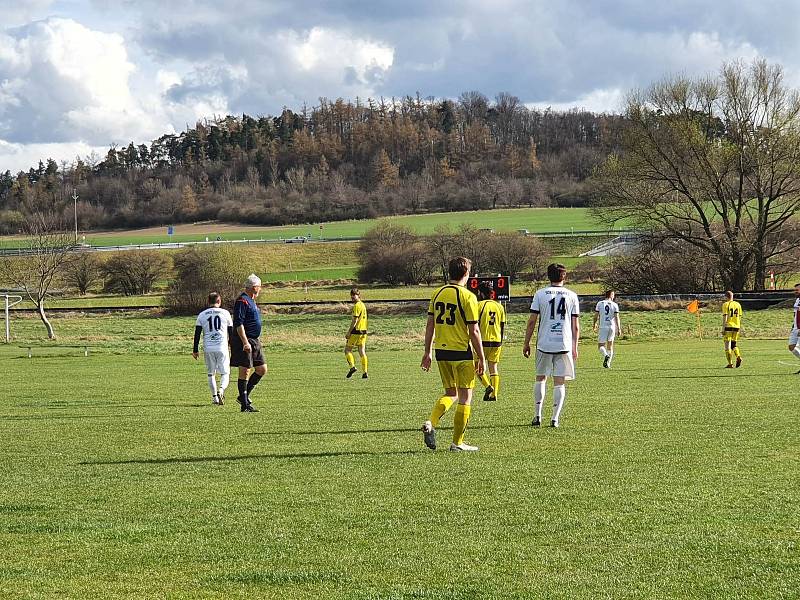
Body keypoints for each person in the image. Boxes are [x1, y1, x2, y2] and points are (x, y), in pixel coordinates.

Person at [421, 257, 486, 452]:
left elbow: (430, 325)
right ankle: (457, 443)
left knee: (451, 393)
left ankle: (431, 422)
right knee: (465, 398)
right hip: (461, 352)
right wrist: (481, 357)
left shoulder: (437, 293)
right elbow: (474, 330)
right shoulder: (467, 297)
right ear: (466, 274)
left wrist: (427, 352)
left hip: (441, 352)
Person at [523, 263, 580, 428]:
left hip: (544, 343)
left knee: (540, 377)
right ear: (564, 277)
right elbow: (575, 325)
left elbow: (532, 321)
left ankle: (537, 415)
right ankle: (555, 418)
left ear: (548, 276)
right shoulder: (572, 295)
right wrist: (575, 346)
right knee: (559, 381)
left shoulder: (540, 294)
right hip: (564, 343)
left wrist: (526, 343)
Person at [231, 274, 266, 412]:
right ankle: (245, 405)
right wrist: (245, 342)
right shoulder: (242, 301)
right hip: (244, 341)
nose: (260, 290)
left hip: (255, 340)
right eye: (259, 287)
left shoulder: (252, 301)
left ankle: (243, 397)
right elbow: (239, 324)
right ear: (254, 287)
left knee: (262, 369)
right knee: (245, 371)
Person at [192, 292, 233, 405]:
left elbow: (197, 334)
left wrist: (195, 350)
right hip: (222, 347)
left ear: (208, 302)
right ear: (219, 301)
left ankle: (215, 397)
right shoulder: (226, 313)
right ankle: (221, 390)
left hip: (208, 348)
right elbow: (231, 333)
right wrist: (232, 347)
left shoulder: (202, 315)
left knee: (211, 374)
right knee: (225, 373)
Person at [476, 282, 506, 401]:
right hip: (497, 341)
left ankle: (488, 386)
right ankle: (495, 394)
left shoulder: (478, 305)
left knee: (477, 366)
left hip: (482, 341)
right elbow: (502, 325)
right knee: (493, 367)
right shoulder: (500, 306)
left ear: (481, 293)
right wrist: (500, 340)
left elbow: (475, 324)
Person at [344, 287, 369, 379]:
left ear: (358, 296)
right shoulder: (363, 305)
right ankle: (365, 372)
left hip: (356, 331)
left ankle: (352, 367)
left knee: (347, 350)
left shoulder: (357, 306)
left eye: (354, 296)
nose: (352, 298)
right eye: (352, 296)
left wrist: (349, 332)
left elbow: (355, 320)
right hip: (363, 332)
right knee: (362, 351)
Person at [593, 290, 621, 368]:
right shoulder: (615, 305)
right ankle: (608, 364)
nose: (614, 296)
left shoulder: (600, 303)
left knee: (600, 346)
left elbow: (596, 316)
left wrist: (594, 324)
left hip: (603, 327)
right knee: (610, 345)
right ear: (611, 295)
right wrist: (619, 329)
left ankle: (605, 355)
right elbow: (617, 318)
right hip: (612, 327)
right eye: (613, 294)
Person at [721, 291, 743, 368]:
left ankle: (730, 364)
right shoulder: (738, 304)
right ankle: (738, 356)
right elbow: (740, 317)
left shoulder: (725, 304)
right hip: (737, 326)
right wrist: (738, 326)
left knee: (727, 346)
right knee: (734, 344)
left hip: (728, 326)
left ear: (726, 297)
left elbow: (725, 316)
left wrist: (723, 328)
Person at [788, 283, 800, 373]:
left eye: (797, 290)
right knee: (791, 347)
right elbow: (796, 314)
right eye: (795, 290)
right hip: (795, 327)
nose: (795, 291)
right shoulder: (797, 300)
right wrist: (793, 326)